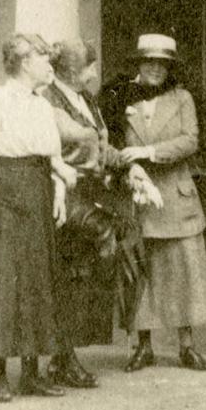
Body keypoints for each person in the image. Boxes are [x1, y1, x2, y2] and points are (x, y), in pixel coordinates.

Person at [0, 33, 79, 402]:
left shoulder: (43, 107)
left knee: (36, 281)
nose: (49, 66)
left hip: (38, 195)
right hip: (6, 196)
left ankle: (30, 373)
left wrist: (59, 193)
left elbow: (53, 160)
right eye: (44, 59)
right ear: (25, 62)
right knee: (4, 282)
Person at [43, 39, 139, 389]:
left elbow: (100, 144)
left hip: (89, 195)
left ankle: (63, 358)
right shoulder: (50, 100)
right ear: (71, 70)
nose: (95, 73)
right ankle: (62, 359)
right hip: (63, 198)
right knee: (67, 279)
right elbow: (63, 148)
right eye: (89, 67)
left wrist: (129, 167)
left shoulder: (85, 100)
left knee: (81, 278)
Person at [118, 34, 206, 372]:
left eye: (163, 63)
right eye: (149, 62)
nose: (155, 69)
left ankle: (186, 346)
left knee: (184, 271)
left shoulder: (182, 98)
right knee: (144, 273)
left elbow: (190, 141)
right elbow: (111, 144)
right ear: (138, 65)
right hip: (140, 198)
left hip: (175, 194)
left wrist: (148, 152)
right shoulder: (120, 99)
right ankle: (143, 346)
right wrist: (129, 166)